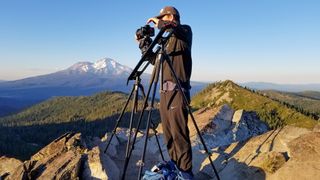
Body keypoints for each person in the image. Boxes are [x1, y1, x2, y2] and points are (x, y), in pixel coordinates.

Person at [139, 6, 194, 179]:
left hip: (178, 91)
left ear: (172, 17)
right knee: (169, 133)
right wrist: (142, 42)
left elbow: (176, 29)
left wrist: (163, 24)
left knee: (179, 133)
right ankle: (175, 164)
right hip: (164, 93)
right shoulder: (167, 41)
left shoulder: (184, 32)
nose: (159, 21)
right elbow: (155, 60)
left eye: (163, 17)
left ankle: (185, 172)